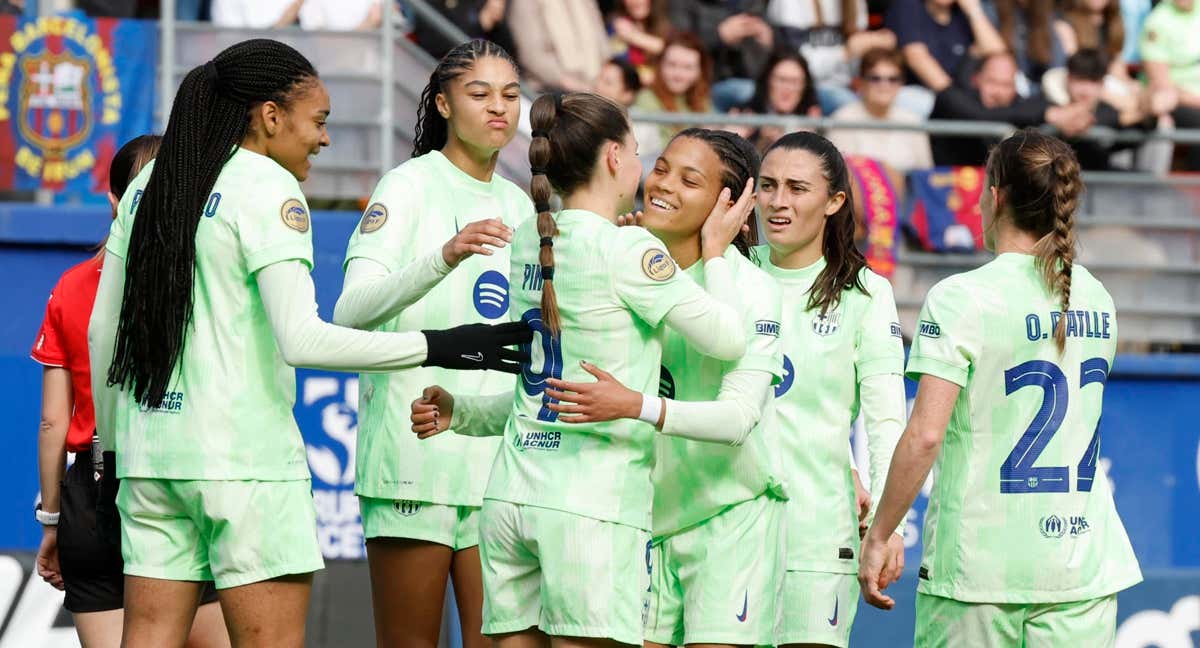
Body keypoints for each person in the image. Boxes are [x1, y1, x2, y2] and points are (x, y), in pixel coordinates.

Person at [87, 38, 530, 648]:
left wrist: (109, 453)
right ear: (271, 117)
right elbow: (304, 337)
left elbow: (102, 330)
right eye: (318, 121)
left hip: (150, 458)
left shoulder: (150, 184)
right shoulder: (269, 187)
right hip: (246, 466)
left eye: (510, 93)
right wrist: (436, 345)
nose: (324, 139)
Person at [411, 91, 755, 645]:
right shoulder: (630, 251)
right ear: (615, 158)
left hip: (508, 497)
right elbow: (728, 338)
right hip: (589, 508)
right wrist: (714, 250)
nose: (647, 170)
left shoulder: (532, 238)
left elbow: (550, 386)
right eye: (642, 153)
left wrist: (467, 412)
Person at [859, 129, 1143, 646]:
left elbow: (924, 436)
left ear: (996, 197)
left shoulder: (960, 297)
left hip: (980, 570)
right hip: (1083, 565)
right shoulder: (1096, 294)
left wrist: (881, 534)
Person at [514, 128, 787, 648]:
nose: (664, 185)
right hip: (645, 519)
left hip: (728, 517)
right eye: (661, 168)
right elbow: (563, 385)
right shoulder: (624, 260)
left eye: (690, 180)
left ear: (728, 203)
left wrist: (636, 406)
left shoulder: (753, 290)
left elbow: (736, 421)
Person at [332, 40, 533, 648]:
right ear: (443, 104)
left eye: (510, 95)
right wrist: (443, 256)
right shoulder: (408, 185)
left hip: (499, 464)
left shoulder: (521, 203)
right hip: (413, 459)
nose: (499, 108)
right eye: (479, 94)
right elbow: (349, 311)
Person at [33, 136, 229, 648]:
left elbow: (54, 422)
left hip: (90, 493)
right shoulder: (203, 279)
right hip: (180, 482)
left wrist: (52, 522)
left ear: (114, 200)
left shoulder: (72, 285)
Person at [751, 131, 907, 648]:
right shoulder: (729, 270)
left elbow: (886, 422)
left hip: (816, 535)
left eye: (797, 188)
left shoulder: (865, 292)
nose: (778, 201)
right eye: (768, 186)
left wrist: (886, 527)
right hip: (721, 526)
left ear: (834, 201)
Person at [929, 52, 1093, 166]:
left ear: (1015, 87)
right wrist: (1048, 114)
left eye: (1006, 84)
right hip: (944, 195)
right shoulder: (951, 98)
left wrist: (1077, 114)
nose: (998, 92)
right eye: (992, 82)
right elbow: (979, 115)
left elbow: (1036, 106)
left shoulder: (1020, 105)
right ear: (976, 79)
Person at [766, 0, 898, 114]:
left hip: (850, 86)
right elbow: (797, 68)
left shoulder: (854, 3)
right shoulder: (790, 3)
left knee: (905, 101)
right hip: (808, 87)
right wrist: (845, 52)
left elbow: (856, 65)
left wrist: (876, 43)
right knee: (848, 104)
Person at [884, 0, 1006, 117]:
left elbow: (997, 54)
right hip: (925, 91)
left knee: (1015, 86)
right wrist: (958, 101)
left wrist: (973, 10)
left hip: (963, 93)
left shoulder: (962, 13)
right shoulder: (908, 6)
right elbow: (916, 58)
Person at [828, 47, 933, 173]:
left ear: (901, 84)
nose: (884, 85)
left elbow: (925, 175)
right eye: (875, 78)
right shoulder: (842, 119)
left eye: (893, 79)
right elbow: (838, 177)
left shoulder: (913, 121)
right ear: (861, 82)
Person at [633, 31, 714, 155]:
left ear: (700, 71)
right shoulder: (647, 99)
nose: (679, 75)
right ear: (660, 65)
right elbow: (660, 153)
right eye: (672, 65)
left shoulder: (701, 99)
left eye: (688, 67)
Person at [508, 0, 609, 93]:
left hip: (593, 87)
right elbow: (531, 56)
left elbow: (602, 44)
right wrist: (574, 85)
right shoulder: (526, 2)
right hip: (549, 92)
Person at [731, 50, 821, 152]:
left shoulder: (812, 118)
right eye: (781, 80)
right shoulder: (744, 115)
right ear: (768, 80)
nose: (787, 89)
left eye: (795, 82)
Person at [607, 0, 671, 85]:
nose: (635, 2)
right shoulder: (616, 25)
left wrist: (632, 36)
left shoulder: (664, 27)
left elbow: (668, 49)